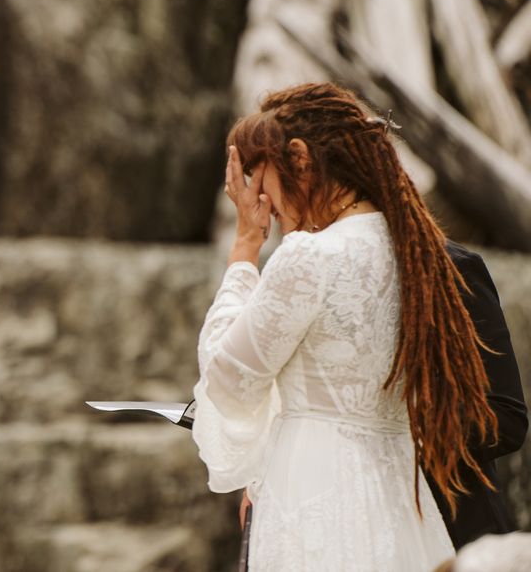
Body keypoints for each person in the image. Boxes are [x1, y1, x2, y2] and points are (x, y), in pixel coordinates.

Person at [192, 82, 498, 570]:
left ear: (300, 159)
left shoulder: (310, 256)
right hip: (399, 497)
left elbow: (227, 379)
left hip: (314, 492)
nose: (263, 204)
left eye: (262, 183)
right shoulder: (415, 257)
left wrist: (245, 246)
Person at [431, 241, 527, 548]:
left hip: (453, 530)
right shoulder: (301, 275)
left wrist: (398, 432)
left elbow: (507, 419)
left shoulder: (450, 268)